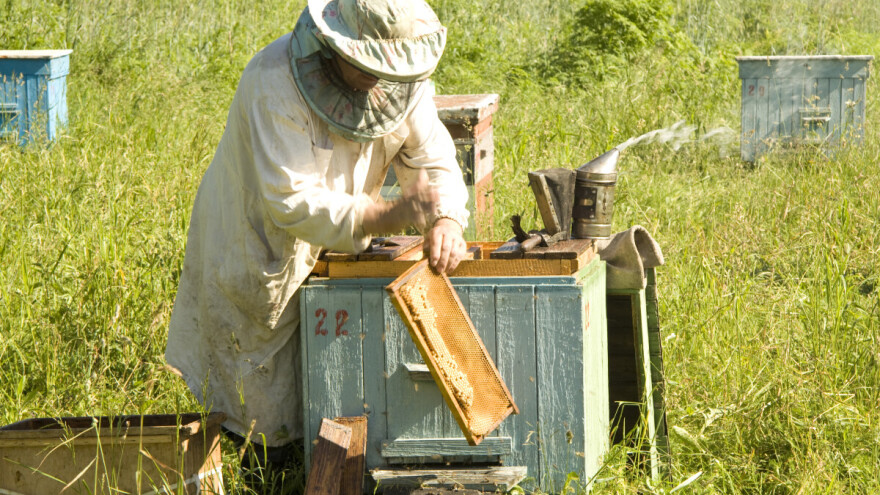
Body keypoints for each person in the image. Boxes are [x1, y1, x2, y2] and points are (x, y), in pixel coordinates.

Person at [164, 0, 469, 488]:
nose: (377, 79)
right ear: (333, 43)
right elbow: (293, 202)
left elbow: (434, 160)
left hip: (335, 248)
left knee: (325, 391)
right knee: (256, 412)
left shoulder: (402, 82)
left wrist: (448, 218)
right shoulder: (272, 81)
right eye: (366, 65)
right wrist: (388, 212)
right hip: (256, 247)